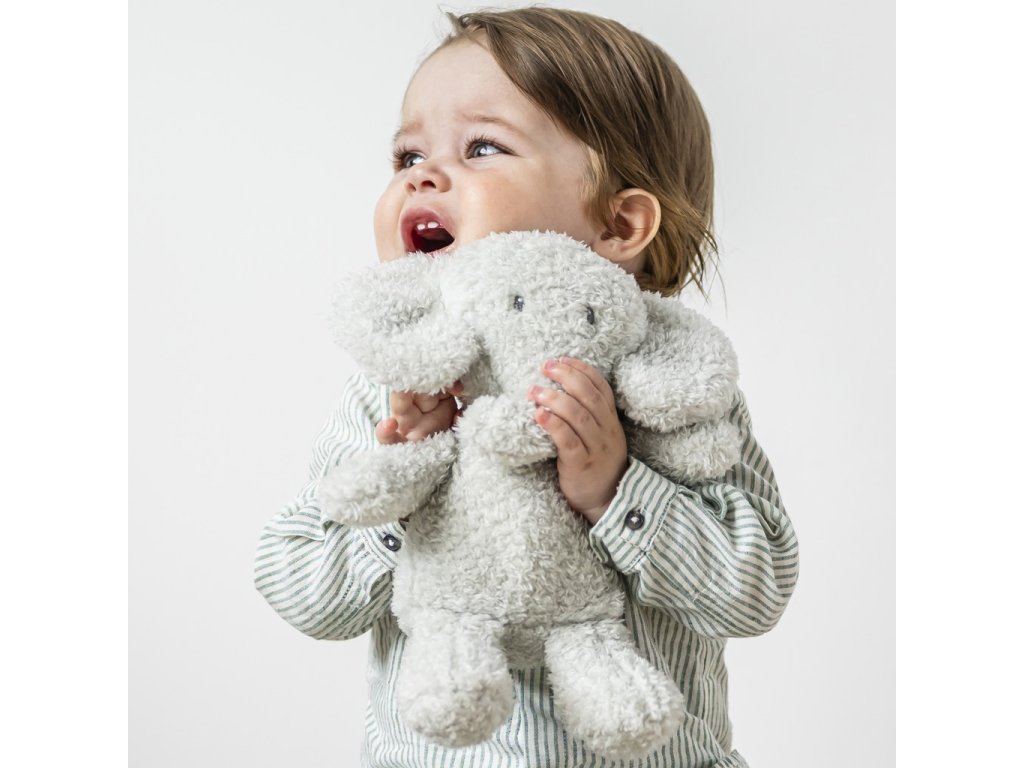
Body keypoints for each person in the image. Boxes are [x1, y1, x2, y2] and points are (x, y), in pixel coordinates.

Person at [254, 7, 799, 767]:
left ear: (618, 224)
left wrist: (617, 488)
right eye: (408, 153)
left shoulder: (673, 388)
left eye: (482, 147)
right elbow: (303, 592)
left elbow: (756, 590)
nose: (421, 176)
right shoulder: (392, 395)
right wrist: (405, 482)